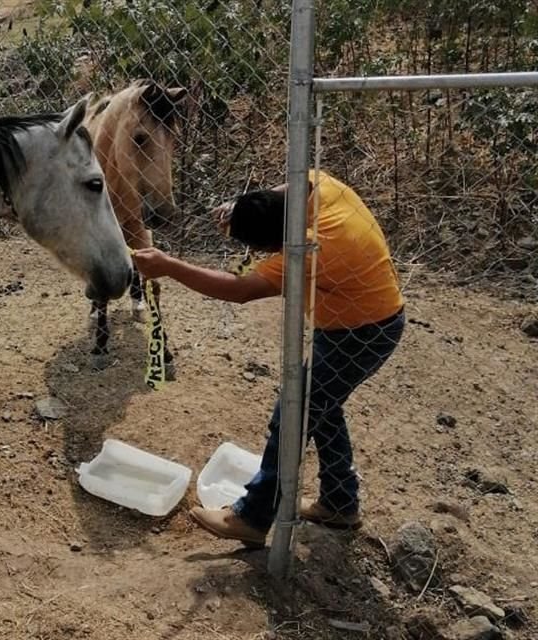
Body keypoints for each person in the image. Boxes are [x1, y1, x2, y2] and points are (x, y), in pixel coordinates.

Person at [132, 170, 405, 547]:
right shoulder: (320, 189)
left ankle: (253, 517)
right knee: (321, 407)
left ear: (281, 246)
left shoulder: (312, 249)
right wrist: (240, 208)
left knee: (293, 414)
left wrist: (169, 266)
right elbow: (289, 187)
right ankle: (339, 503)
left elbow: (240, 289)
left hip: (363, 333)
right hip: (357, 320)